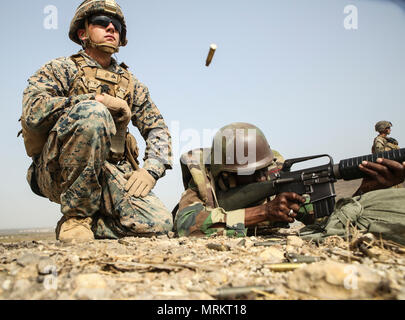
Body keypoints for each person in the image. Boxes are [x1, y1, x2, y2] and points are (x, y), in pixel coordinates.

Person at [20, 0, 173, 242]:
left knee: (160, 224)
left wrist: (151, 170)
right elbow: (33, 113)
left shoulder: (131, 84)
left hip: (107, 170)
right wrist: (95, 99)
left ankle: (93, 224)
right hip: (56, 170)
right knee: (94, 112)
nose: (111, 28)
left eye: (117, 26)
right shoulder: (61, 69)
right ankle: (76, 218)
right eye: (102, 22)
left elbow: (157, 129)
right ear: (83, 33)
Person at [174, 123, 405, 238]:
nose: (259, 177)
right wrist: (264, 212)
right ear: (223, 173)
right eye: (247, 173)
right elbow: (185, 224)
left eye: (261, 169)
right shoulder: (205, 182)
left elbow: (331, 223)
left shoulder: (278, 178)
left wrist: (367, 189)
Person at [372, 121, 403, 189]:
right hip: (387, 172)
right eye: (388, 128)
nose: (390, 129)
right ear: (384, 129)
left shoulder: (389, 140)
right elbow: (380, 155)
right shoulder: (379, 140)